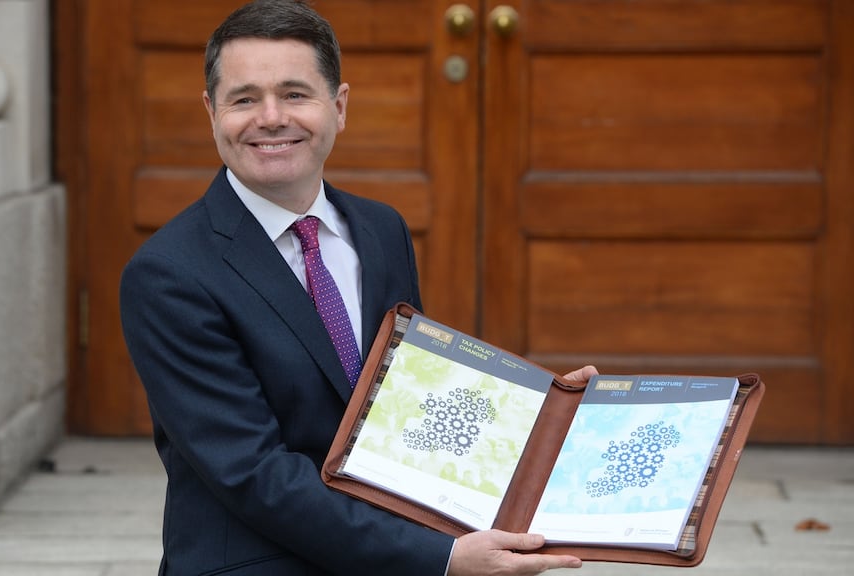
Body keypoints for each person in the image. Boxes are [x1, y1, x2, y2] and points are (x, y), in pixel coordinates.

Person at [119, 1, 597, 574]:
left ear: (338, 107)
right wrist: (441, 558)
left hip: (387, 537)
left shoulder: (380, 229)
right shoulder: (170, 273)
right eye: (244, 99)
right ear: (211, 111)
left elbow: (408, 397)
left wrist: (538, 416)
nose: (271, 118)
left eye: (295, 95)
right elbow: (251, 472)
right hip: (259, 556)